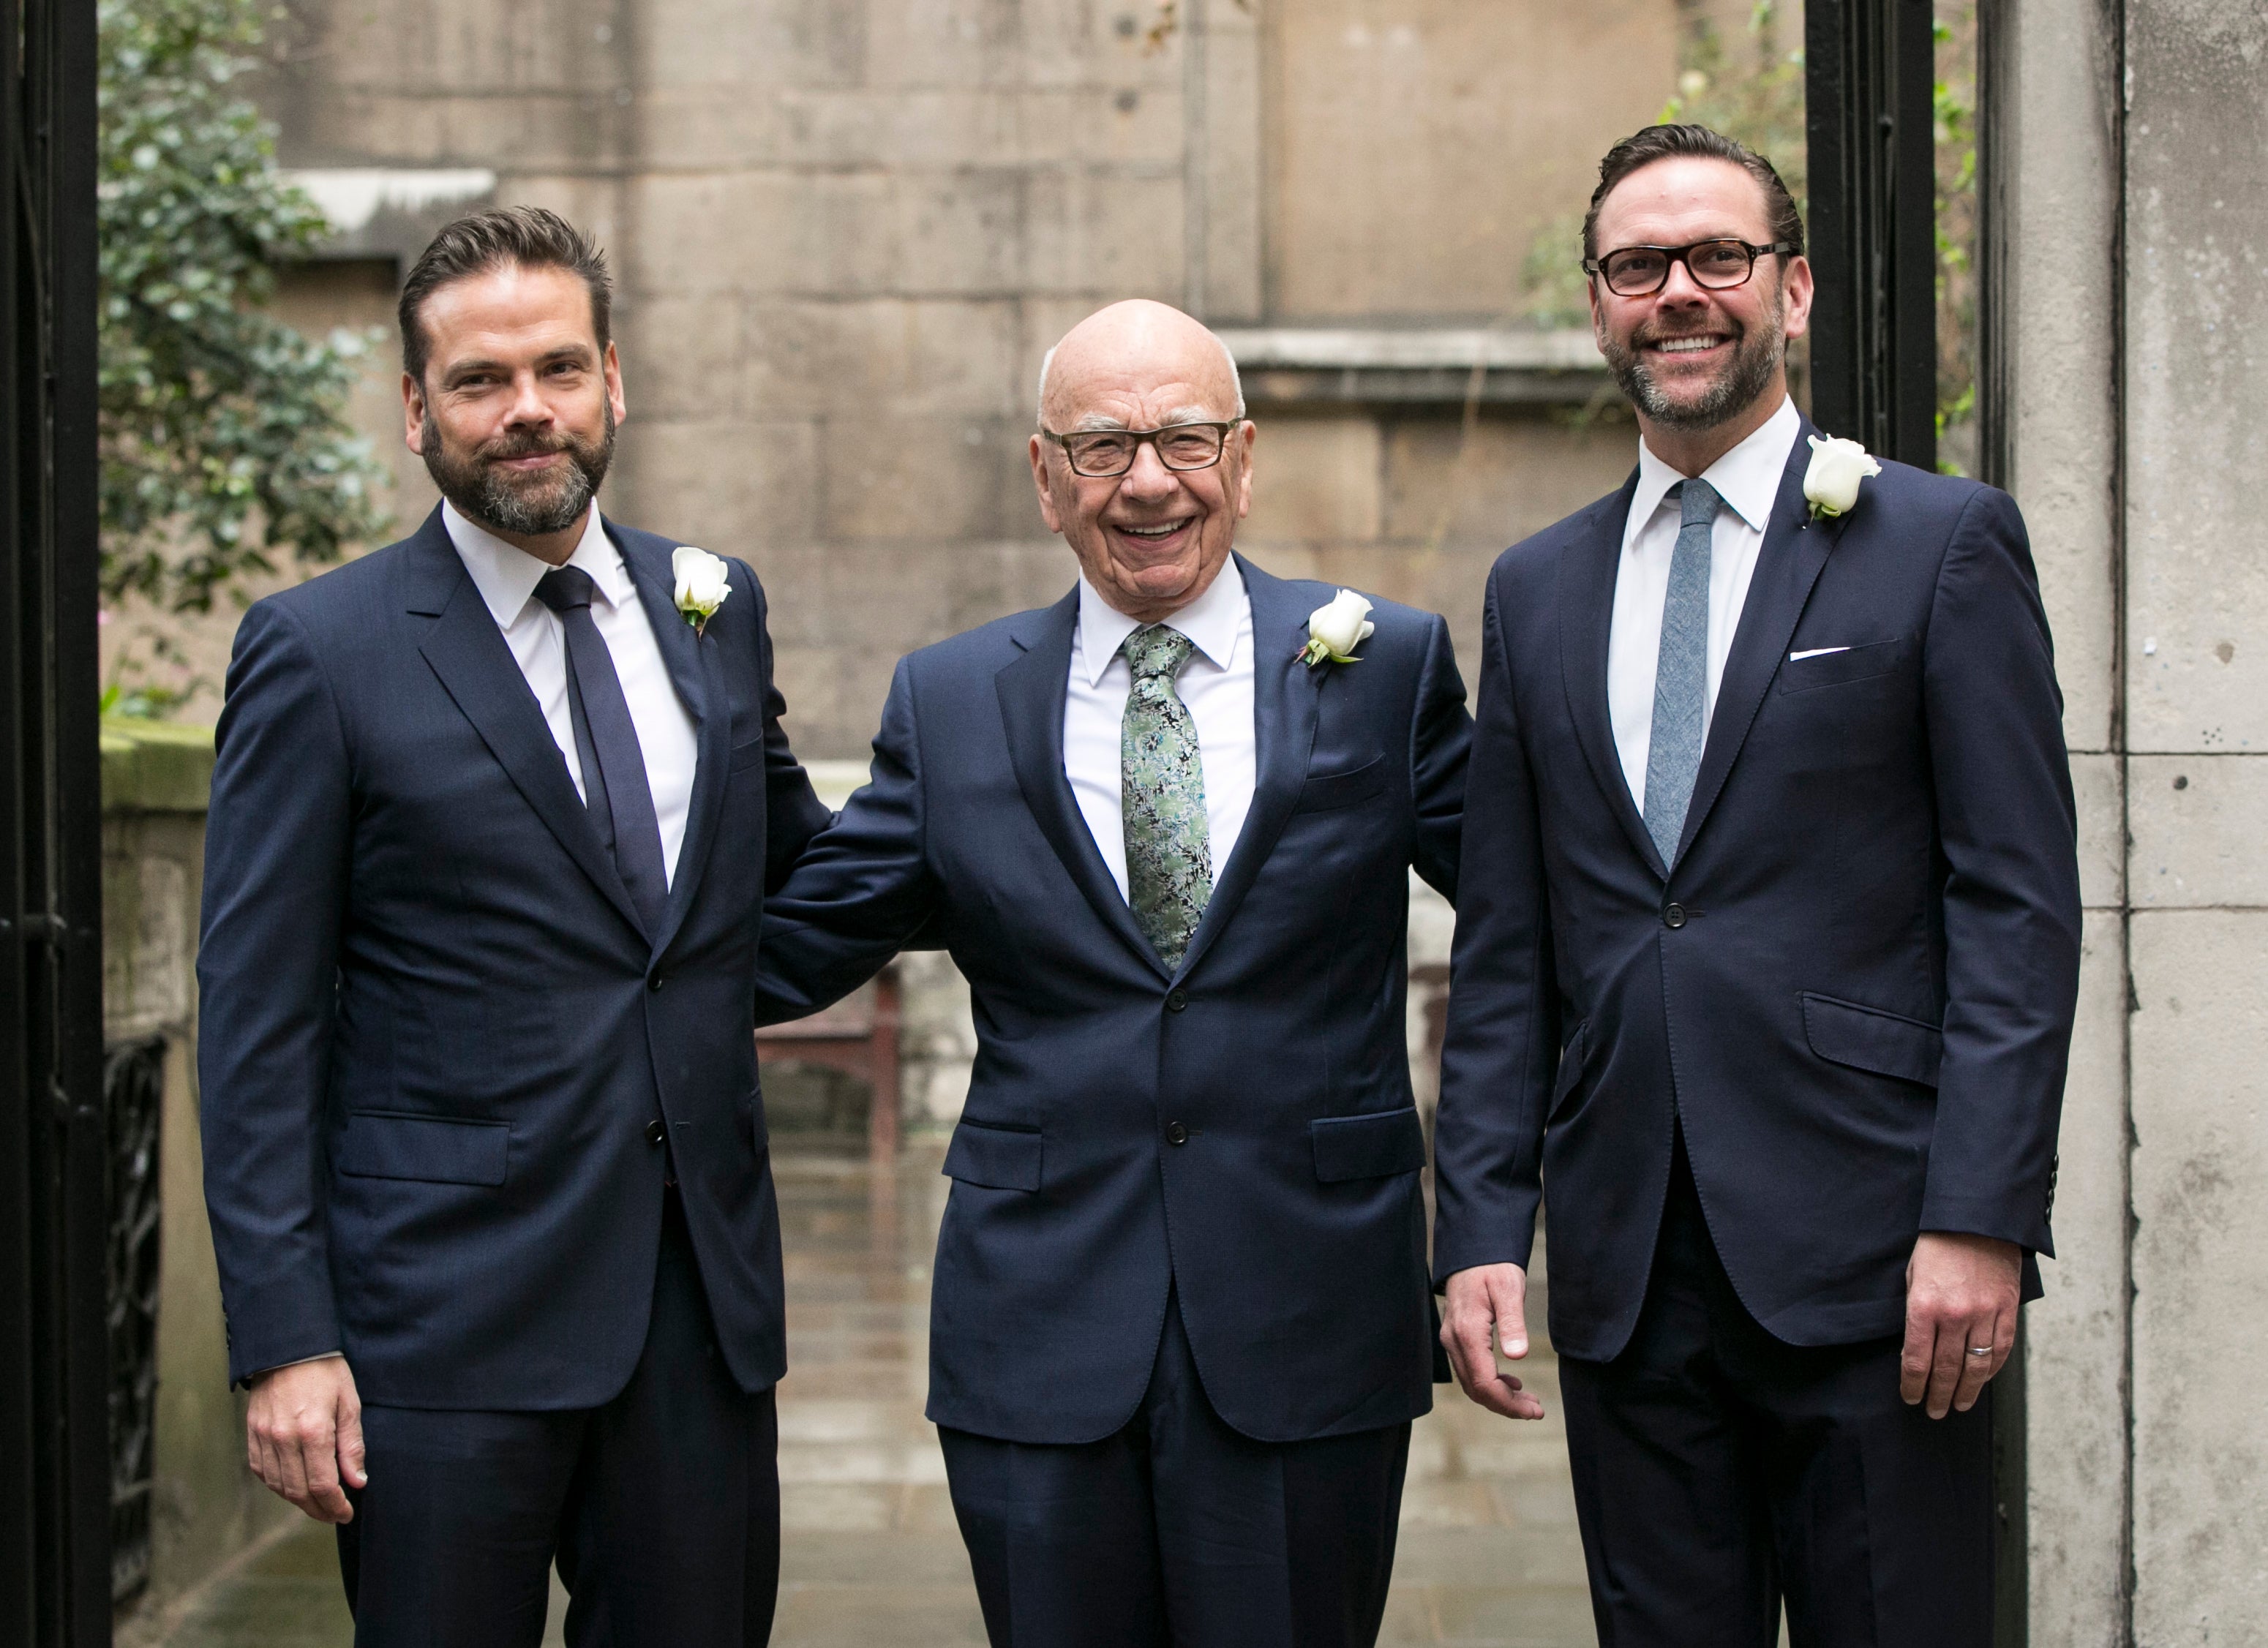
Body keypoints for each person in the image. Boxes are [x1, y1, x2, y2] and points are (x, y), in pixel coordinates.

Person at [1430, 124, 2082, 1645]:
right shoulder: (1535, 587)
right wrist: (1474, 1223)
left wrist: (1978, 1214)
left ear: (1788, 293)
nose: (1676, 292)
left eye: (1714, 257)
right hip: (1624, 1269)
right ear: (1596, 303)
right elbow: (1513, 942)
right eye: (1635, 265)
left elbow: (2014, 906)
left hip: (1877, 1267)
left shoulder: (1935, 544)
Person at [751, 299, 1471, 1647]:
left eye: (1185, 438)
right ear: (1044, 476)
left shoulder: (1386, 667)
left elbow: (1532, 923)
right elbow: (788, 945)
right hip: (1038, 1332)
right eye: (1102, 444)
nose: (1148, 478)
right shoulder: (951, 698)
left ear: (1243, 459)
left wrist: (1490, 1212)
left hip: (1308, 1313)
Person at [196, 206, 829, 1646]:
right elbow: (256, 1018)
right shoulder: (318, 649)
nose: (526, 409)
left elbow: (784, 882)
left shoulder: (713, 609)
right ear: (416, 408)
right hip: (437, 1330)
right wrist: (287, 1336)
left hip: (695, 1318)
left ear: (615, 379)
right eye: (480, 380)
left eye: (557, 367)